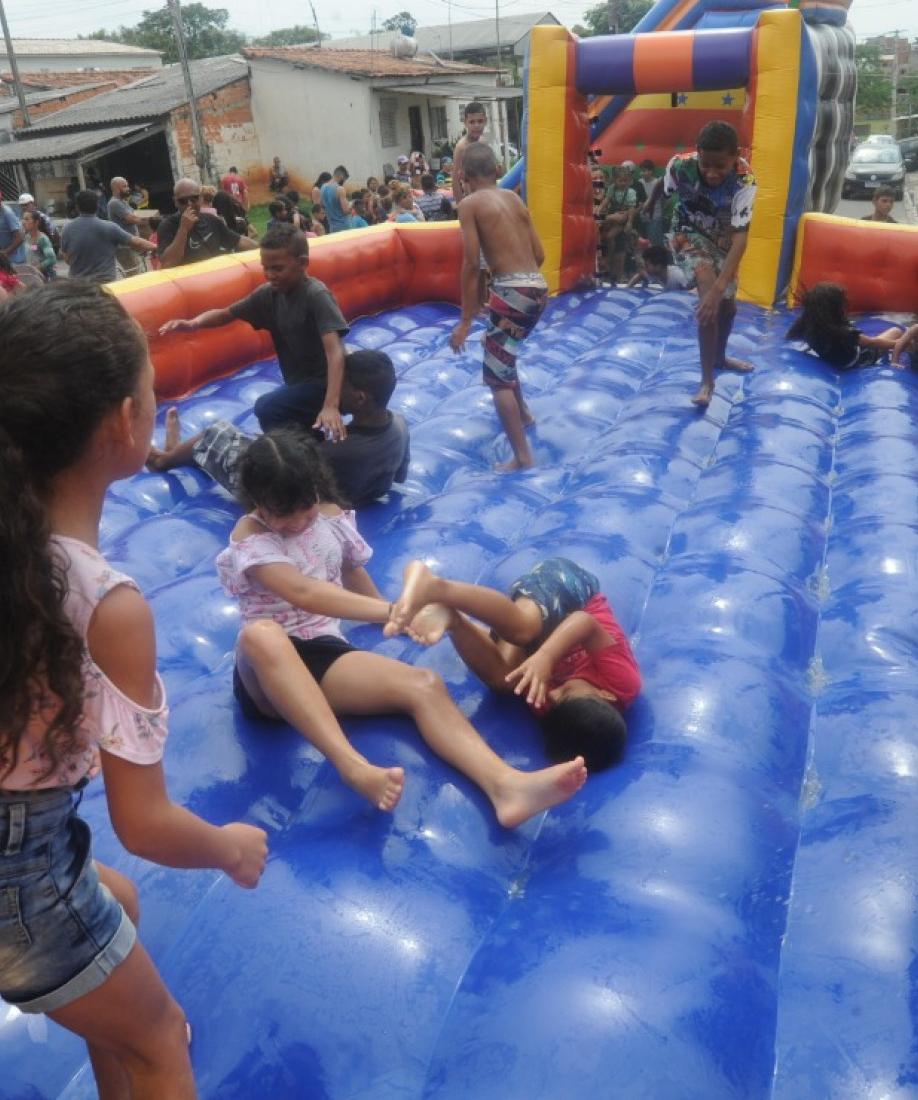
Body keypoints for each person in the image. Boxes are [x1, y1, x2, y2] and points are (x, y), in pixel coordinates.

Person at [0, 283, 267, 1100]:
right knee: (164, 1035)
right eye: (150, 386)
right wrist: (228, 846)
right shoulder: (106, 602)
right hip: (2, 882)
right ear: (121, 423)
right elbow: (146, 822)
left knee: (118, 905)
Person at [217, 429, 589, 824]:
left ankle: (505, 785)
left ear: (315, 486)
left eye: (303, 509)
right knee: (261, 634)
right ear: (258, 502)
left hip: (321, 653)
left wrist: (394, 615)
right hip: (265, 670)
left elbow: (349, 569)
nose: (294, 523)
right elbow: (302, 591)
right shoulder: (251, 535)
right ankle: (351, 765)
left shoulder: (327, 518)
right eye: (280, 513)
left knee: (425, 684)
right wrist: (393, 611)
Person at [384, 558, 639, 772]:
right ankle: (436, 586)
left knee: (505, 680)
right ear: (603, 694)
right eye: (566, 691)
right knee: (523, 630)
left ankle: (453, 620)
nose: (553, 692)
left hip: (538, 637)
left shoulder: (554, 709)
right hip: (572, 594)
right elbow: (584, 622)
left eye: (555, 701)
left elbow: (507, 661)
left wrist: (530, 659)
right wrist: (546, 657)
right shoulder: (622, 684)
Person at [151, 349, 411, 505]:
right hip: (360, 495)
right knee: (249, 440)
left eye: (339, 384)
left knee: (216, 432)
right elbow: (399, 477)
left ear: (360, 397)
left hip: (280, 495)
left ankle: (163, 460)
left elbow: (289, 478)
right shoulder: (399, 423)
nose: (332, 390)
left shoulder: (341, 450)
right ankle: (181, 453)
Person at [158, 224, 348, 437]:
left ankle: (301, 448)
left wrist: (331, 404)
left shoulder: (315, 295)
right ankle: (308, 442)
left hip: (329, 384)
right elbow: (226, 313)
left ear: (302, 263)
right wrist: (193, 323)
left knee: (267, 408)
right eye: (265, 267)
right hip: (301, 384)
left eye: (277, 268)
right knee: (283, 416)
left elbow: (335, 352)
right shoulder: (269, 295)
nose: (270, 275)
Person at [452, 142, 548, 472]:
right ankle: (524, 412)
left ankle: (522, 457)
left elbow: (469, 263)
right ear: (496, 171)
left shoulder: (469, 204)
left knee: (496, 375)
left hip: (511, 290)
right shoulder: (514, 198)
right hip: (537, 287)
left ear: (463, 176)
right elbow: (540, 254)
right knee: (503, 350)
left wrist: (465, 320)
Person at [661, 119, 757, 405]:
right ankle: (707, 381)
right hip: (686, 233)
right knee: (707, 290)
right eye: (706, 165)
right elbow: (664, 188)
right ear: (698, 153)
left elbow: (741, 238)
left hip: (723, 239)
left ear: (735, 156)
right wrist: (651, 203)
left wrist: (720, 290)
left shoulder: (744, 180)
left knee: (726, 304)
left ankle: (720, 357)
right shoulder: (680, 166)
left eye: (720, 166)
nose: (712, 173)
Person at [787, 281, 903, 368]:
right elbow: (871, 343)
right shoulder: (842, 332)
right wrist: (900, 344)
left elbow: (791, 336)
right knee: (896, 331)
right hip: (860, 360)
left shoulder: (808, 324)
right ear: (836, 308)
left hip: (839, 359)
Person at [61, 188, 153, 284]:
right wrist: (157, 247)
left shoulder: (67, 228)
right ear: (97, 206)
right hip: (104, 284)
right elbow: (137, 242)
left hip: (78, 284)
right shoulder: (109, 227)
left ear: (77, 207)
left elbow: (67, 259)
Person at [600, 161, 644, 284]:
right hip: (614, 214)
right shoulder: (612, 189)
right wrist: (599, 210)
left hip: (623, 218)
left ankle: (610, 257)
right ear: (615, 180)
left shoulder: (630, 192)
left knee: (610, 236)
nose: (623, 183)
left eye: (625, 181)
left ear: (629, 181)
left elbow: (631, 208)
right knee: (608, 236)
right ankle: (611, 264)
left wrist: (629, 222)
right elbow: (606, 201)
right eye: (620, 181)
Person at [13, 208, 59, 281]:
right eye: (23, 219)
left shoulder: (42, 239)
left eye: (27, 219)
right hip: (34, 275)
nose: (23, 222)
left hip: (46, 276)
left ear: (36, 222)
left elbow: (51, 258)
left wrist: (38, 267)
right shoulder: (26, 237)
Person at [319, 166, 356, 233]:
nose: (344, 181)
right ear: (341, 176)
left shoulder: (322, 188)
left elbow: (322, 205)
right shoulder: (340, 189)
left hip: (332, 226)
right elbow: (346, 210)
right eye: (344, 179)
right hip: (344, 226)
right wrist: (352, 205)